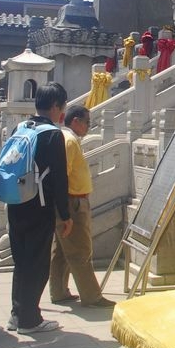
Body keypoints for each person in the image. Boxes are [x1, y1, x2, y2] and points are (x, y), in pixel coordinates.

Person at [7, 82, 72, 334]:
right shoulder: (53, 134)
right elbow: (59, 179)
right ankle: (30, 319)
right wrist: (65, 214)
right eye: (62, 106)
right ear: (56, 106)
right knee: (37, 263)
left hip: (15, 202)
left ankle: (17, 314)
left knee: (22, 261)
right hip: (39, 206)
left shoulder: (20, 127)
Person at [49, 105, 115, 308]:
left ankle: (59, 292)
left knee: (62, 251)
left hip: (69, 200)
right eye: (87, 122)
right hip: (72, 202)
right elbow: (62, 175)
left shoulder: (66, 138)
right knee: (80, 250)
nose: (88, 126)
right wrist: (65, 211)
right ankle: (91, 296)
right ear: (75, 121)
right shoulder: (69, 141)